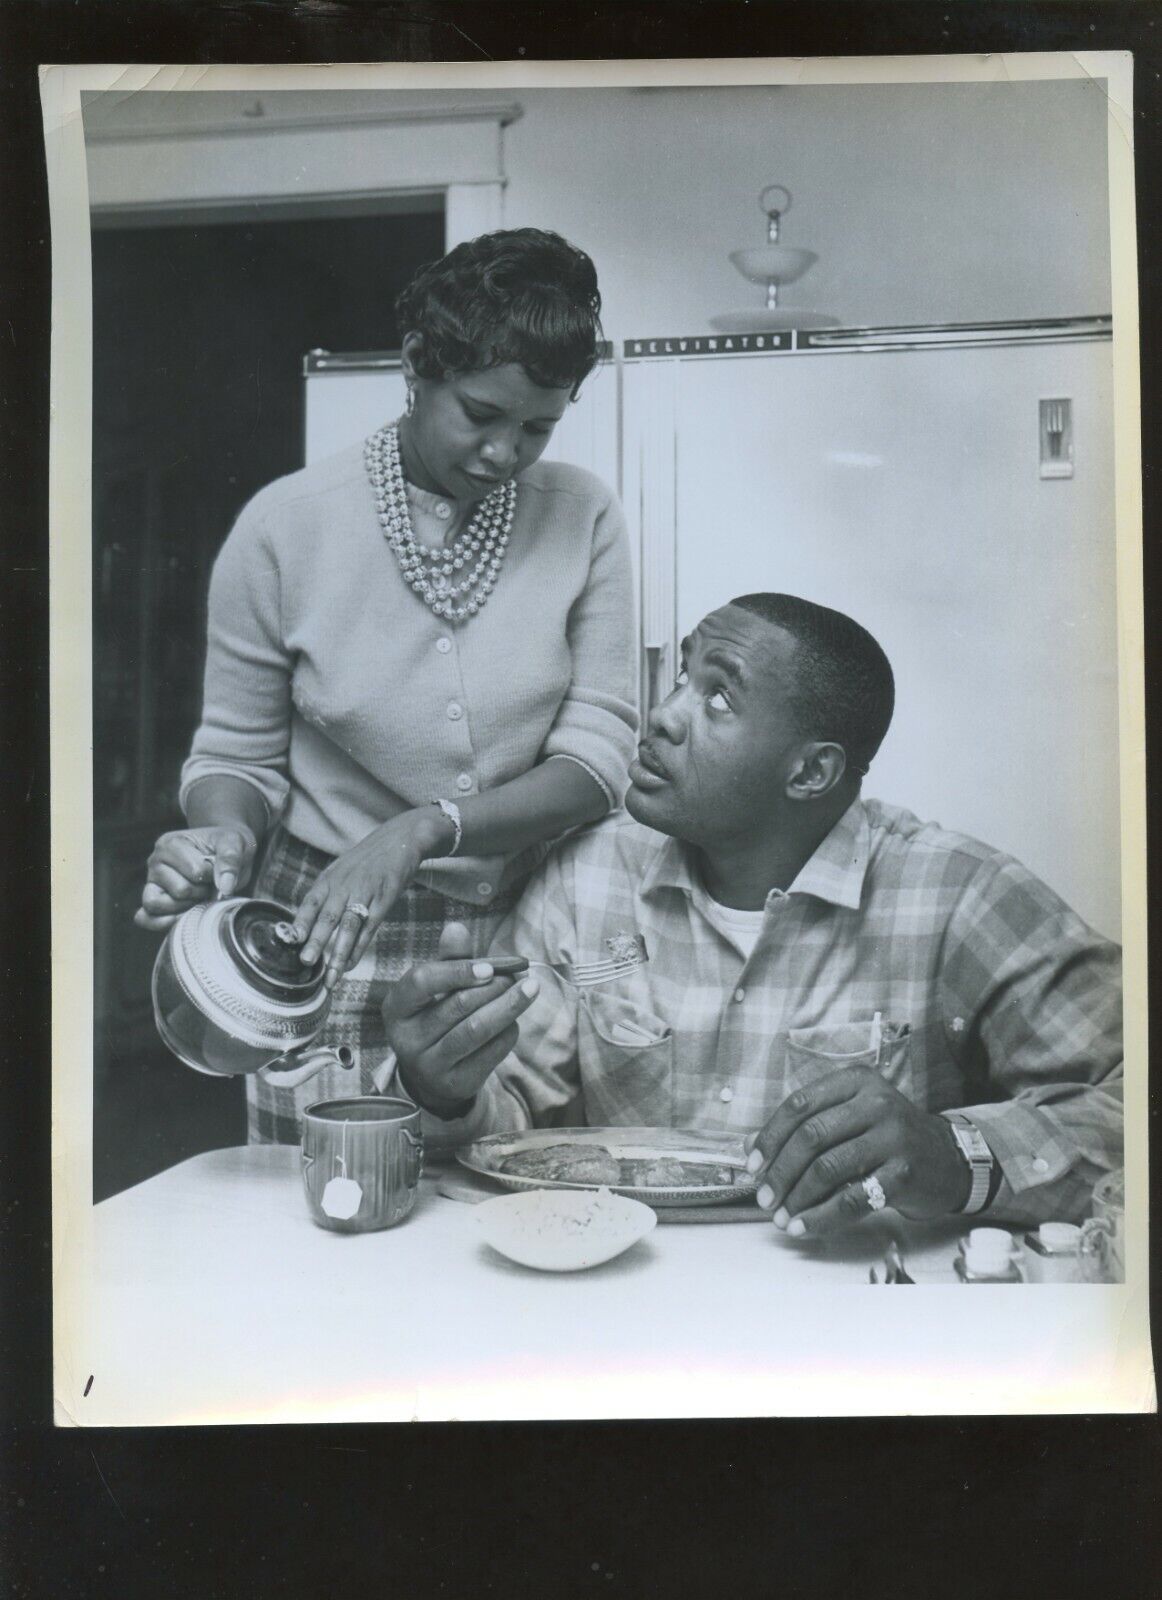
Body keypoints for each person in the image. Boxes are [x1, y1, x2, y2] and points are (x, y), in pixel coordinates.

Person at [381, 593, 1123, 1233]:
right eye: (681, 677)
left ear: (810, 772)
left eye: (719, 697)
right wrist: (440, 1086)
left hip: (855, 1336)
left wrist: (954, 1156)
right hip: (625, 1320)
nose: (663, 716)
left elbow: (1134, 1105)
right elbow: (505, 1124)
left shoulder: (958, 892)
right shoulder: (591, 876)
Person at [135, 229, 638, 1143]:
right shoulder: (283, 527)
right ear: (417, 366)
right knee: (330, 1207)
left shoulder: (584, 515)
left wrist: (424, 830)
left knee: (522, 1201)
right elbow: (236, 757)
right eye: (480, 413)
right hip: (327, 931)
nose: (503, 453)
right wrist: (217, 832)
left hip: (533, 924)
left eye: (537, 428)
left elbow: (600, 762)